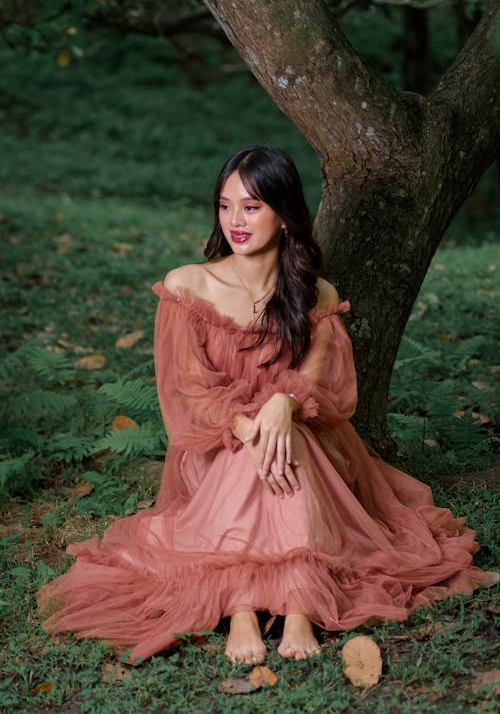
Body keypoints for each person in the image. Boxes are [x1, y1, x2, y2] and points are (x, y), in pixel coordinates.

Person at [38, 146, 496, 665]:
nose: (235, 220)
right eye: (224, 205)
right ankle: (241, 606)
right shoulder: (188, 285)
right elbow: (189, 391)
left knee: (286, 436)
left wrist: (283, 402)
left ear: (284, 215)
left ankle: (295, 605)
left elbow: (321, 382)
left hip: (305, 445)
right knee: (254, 445)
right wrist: (246, 425)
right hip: (214, 445)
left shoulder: (315, 293)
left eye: (251, 206)